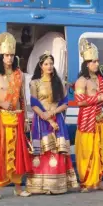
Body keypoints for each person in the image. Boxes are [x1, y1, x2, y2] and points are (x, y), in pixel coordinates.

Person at [0, 32, 32, 199]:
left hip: (17, 118)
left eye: (11, 55)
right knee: (0, 153)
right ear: (1, 57)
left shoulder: (20, 75)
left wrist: (25, 119)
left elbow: (23, 98)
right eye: (6, 55)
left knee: (18, 153)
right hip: (1, 119)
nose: (9, 58)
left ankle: (18, 187)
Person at [26, 51, 78, 194]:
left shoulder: (58, 82)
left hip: (57, 120)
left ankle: (57, 185)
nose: (49, 66)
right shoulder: (34, 83)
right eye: (46, 64)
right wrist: (45, 116)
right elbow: (34, 104)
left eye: (51, 64)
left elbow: (65, 103)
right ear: (41, 66)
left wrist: (53, 113)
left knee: (57, 151)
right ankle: (39, 186)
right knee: (43, 152)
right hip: (41, 121)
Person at [74, 38, 103, 193]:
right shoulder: (81, 81)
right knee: (87, 152)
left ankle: (98, 182)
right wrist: (97, 98)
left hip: (100, 120)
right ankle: (86, 183)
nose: (97, 64)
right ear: (86, 64)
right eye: (93, 61)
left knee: (101, 151)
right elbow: (79, 101)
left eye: (97, 61)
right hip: (86, 122)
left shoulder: (101, 80)